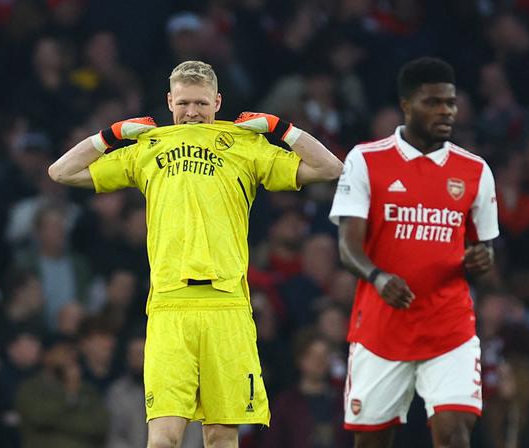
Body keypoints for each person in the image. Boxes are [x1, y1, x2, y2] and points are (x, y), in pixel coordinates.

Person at [48, 60, 342, 448]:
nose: (192, 113)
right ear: (169, 101)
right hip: (170, 304)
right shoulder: (148, 145)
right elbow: (61, 172)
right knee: (163, 437)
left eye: (201, 103)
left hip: (228, 306)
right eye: (183, 102)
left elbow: (331, 167)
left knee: (221, 436)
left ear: (217, 101)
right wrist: (111, 134)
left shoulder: (244, 144)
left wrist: (279, 128)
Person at [329, 57, 499, 448]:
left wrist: (483, 259)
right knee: (372, 442)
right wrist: (377, 276)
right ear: (406, 105)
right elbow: (347, 246)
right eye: (434, 102)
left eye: (451, 103)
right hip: (380, 329)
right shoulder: (366, 160)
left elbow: (483, 248)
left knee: (454, 435)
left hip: (449, 328)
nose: (446, 112)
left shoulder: (474, 170)